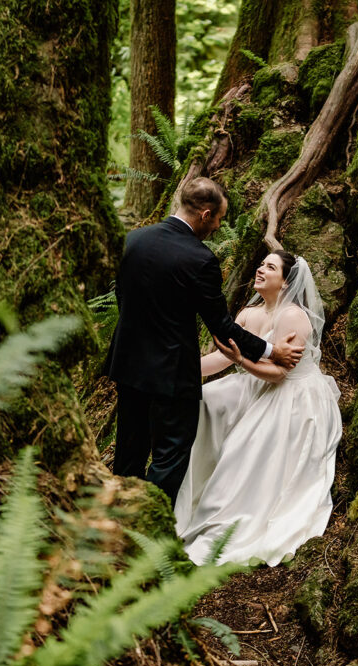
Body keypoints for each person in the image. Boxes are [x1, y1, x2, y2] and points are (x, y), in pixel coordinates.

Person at [103, 177, 304, 504]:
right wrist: (272, 350)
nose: (217, 227)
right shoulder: (200, 259)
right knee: (170, 454)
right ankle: (147, 527)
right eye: (219, 219)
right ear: (205, 214)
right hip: (171, 373)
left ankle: (118, 522)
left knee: (129, 449)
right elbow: (222, 326)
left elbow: (122, 298)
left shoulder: (133, 240)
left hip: (128, 364)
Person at [174, 251, 343, 566]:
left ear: (286, 280)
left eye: (270, 266)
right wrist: (185, 369)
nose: (261, 268)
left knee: (245, 447)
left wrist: (241, 361)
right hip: (257, 383)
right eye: (261, 263)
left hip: (293, 396)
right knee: (203, 399)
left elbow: (280, 374)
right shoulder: (249, 313)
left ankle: (227, 513)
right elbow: (223, 358)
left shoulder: (293, 316)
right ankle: (188, 497)